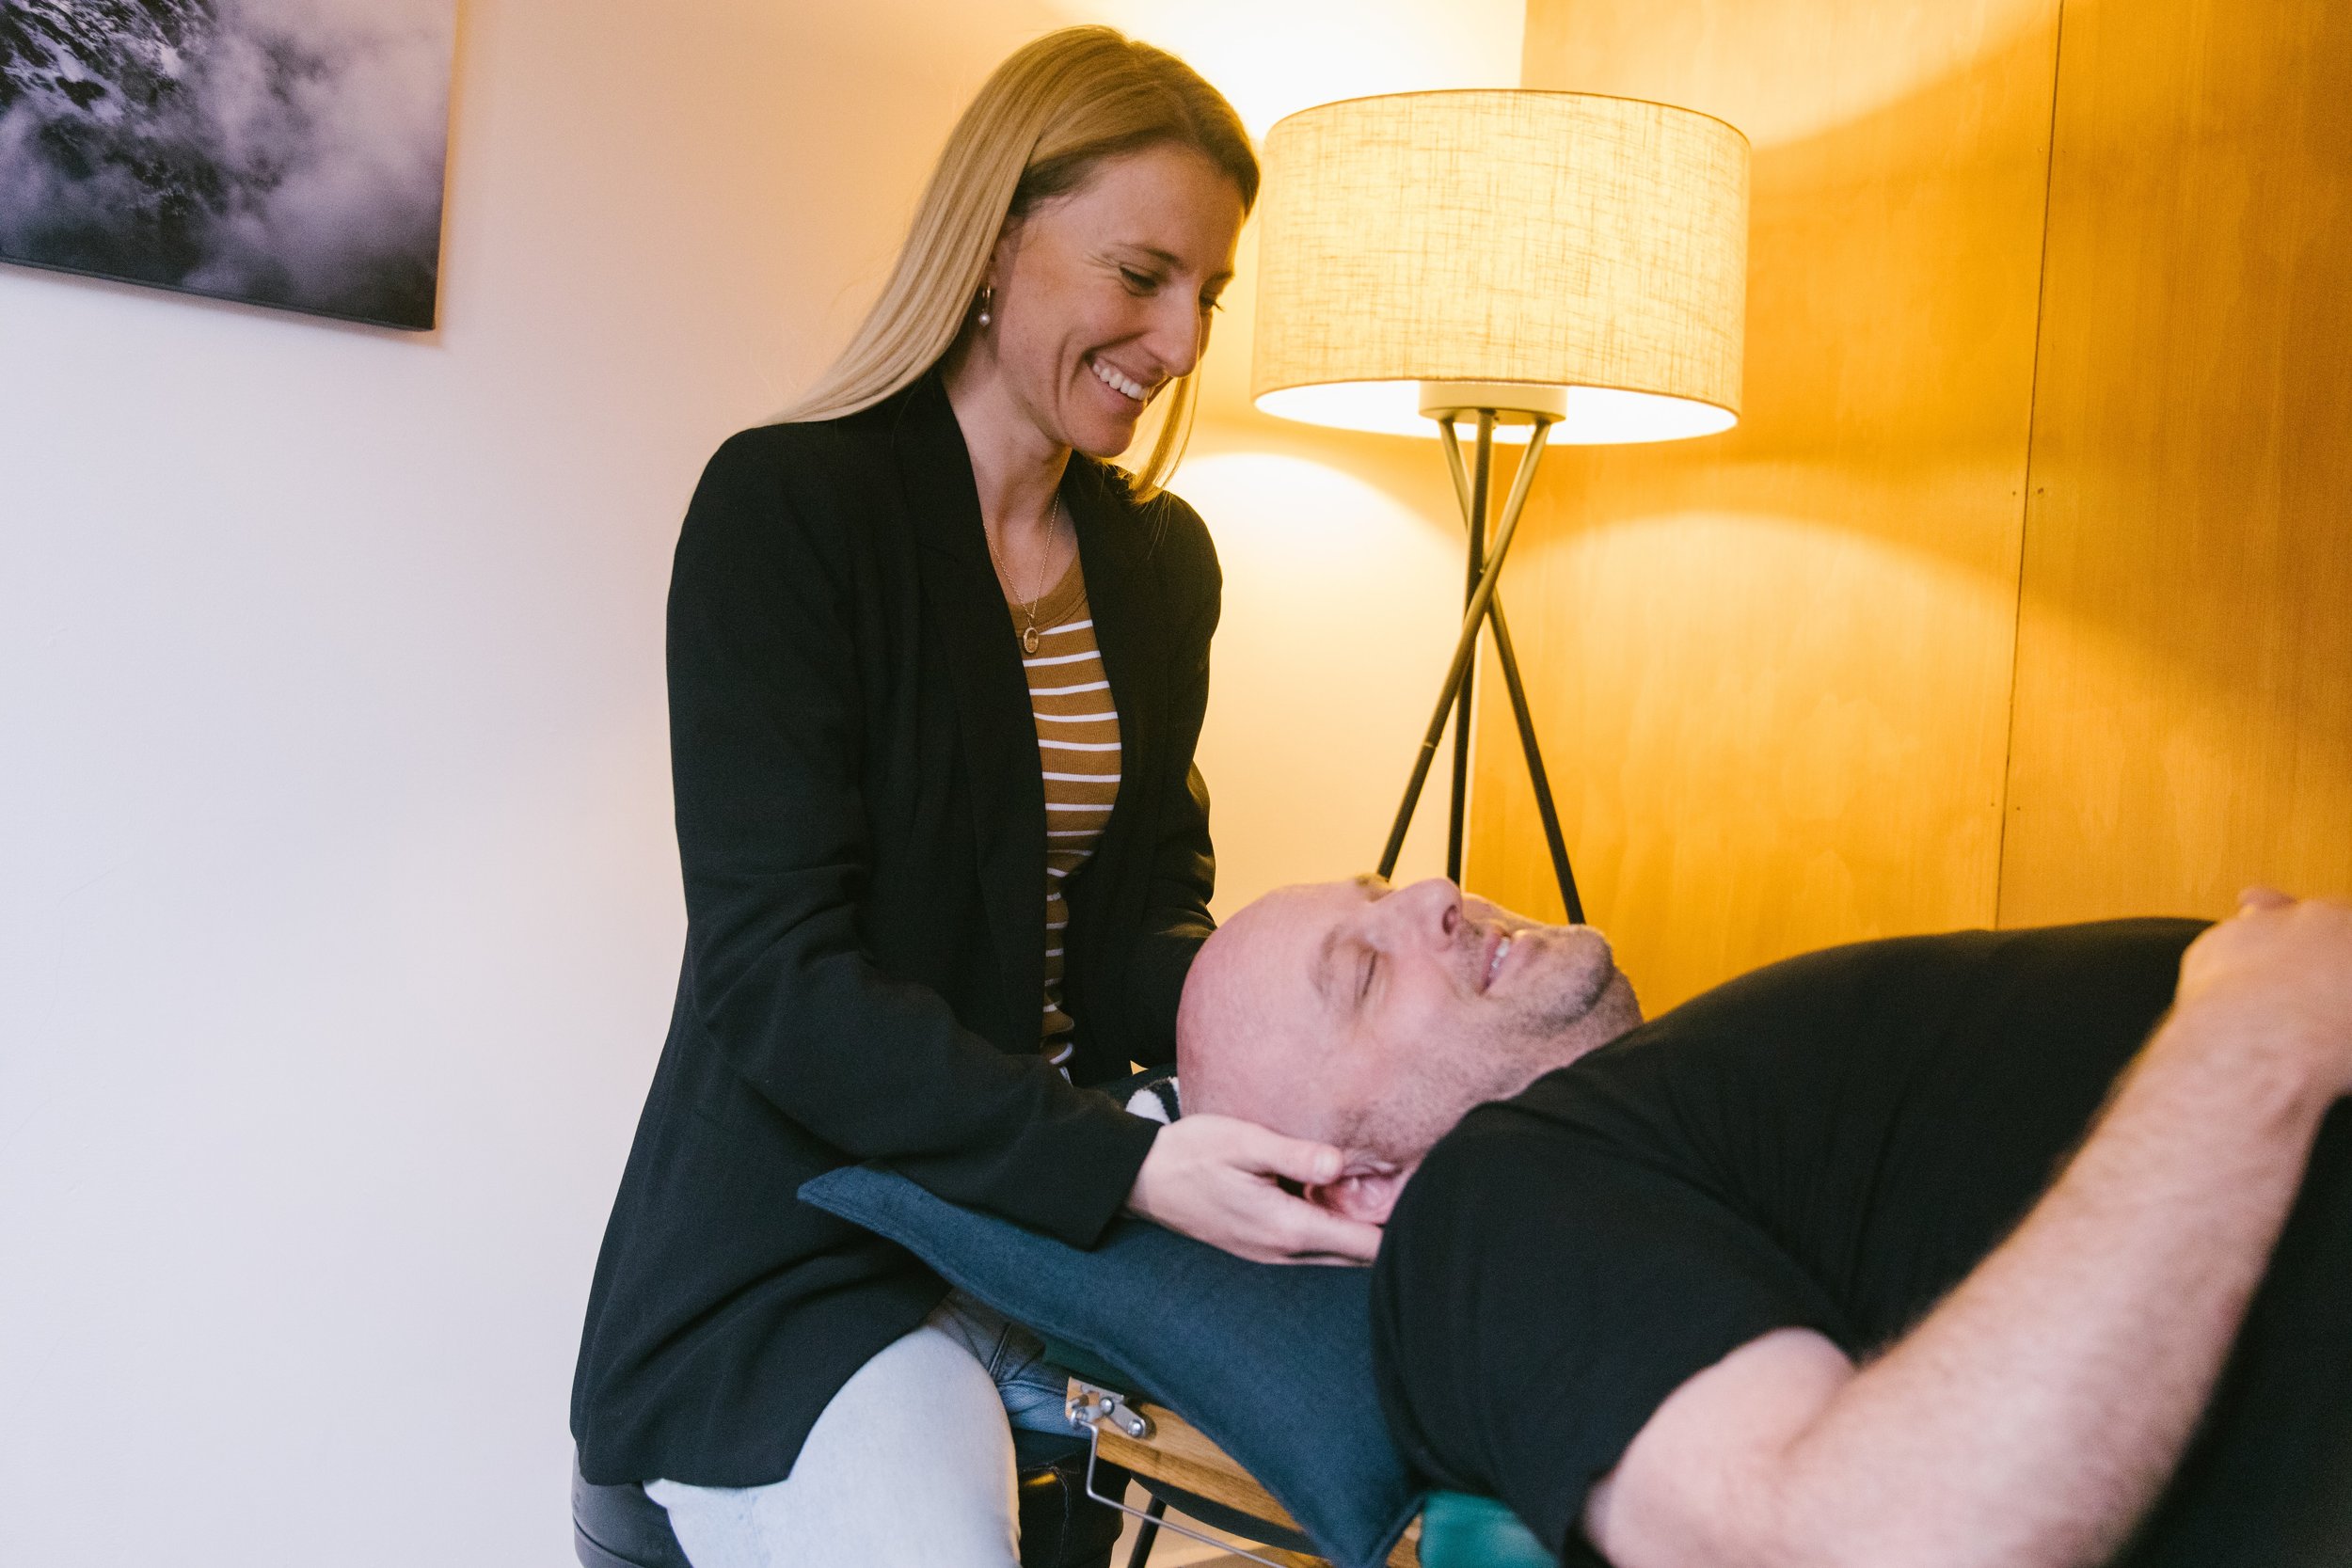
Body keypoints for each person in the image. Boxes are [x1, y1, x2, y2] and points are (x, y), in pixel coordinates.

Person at [570, 31, 1378, 1568]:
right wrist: (1124, 1158)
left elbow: (1143, 922)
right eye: (1144, 273)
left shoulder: (1159, 562)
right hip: (808, 1241)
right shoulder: (791, 510)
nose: (1184, 336)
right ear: (1001, 238)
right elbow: (781, 988)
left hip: (1062, 1214)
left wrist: (1341, 1017)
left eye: (1211, 290)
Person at [1176, 875, 2352, 1567]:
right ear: (1361, 1183)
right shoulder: (1481, 1211)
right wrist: (2256, 1041)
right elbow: (1870, 1545)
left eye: (1388, 889)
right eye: (1363, 970)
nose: (1434, 894)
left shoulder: (1657, 1144)